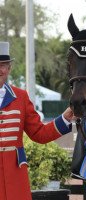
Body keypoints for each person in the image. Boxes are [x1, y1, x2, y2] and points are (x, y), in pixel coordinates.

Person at [0, 41, 75, 200]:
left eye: (3, 65)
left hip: (15, 175)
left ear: (9, 68)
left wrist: (64, 119)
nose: (0, 69)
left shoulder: (21, 97)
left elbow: (39, 134)